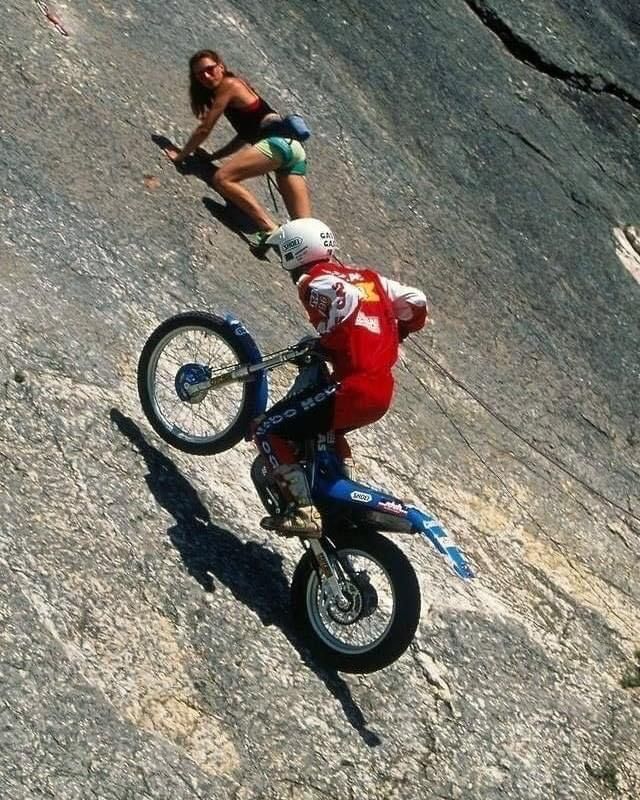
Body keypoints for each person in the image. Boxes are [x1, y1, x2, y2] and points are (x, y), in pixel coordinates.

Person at [253, 218, 428, 536]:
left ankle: (303, 511)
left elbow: (345, 299)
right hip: (381, 391)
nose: (283, 261)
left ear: (295, 252)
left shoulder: (313, 282)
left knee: (266, 430)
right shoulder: (369, 278)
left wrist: (326, 343)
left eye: (283, 252)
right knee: (325, 431)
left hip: (352, 386)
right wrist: (400, 330)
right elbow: (416, 301)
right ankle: (343, 497)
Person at [163, 50, 311, 248]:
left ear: (221, 67)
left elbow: (204, 129)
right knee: (304, 228)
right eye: (200, 75)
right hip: (294, 151)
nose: (206, 76)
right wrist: (214, 156)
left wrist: (181, 156)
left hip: (277, 146)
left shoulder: (229, 85)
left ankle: (269, 228)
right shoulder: (240, 86)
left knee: (222, 179)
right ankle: (316, 261)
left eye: (210, 69)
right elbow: (245, 135)